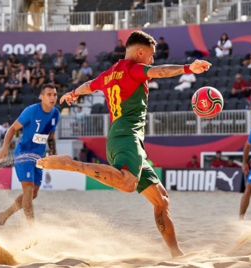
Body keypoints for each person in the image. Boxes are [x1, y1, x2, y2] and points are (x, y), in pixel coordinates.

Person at [36, 30, 212, 258]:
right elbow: (158, 72)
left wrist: (73, 93)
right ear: (140, 53)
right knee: (128, 184)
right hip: (127, 136)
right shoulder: (134, 68)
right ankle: (71, 165)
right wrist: (188, 68)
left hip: (123, 138)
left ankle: (176, 254)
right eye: (150, 55)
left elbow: (90, 85)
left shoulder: (110, 73)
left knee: (161, 199)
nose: (151, 60)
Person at [0, 84, 60, 226]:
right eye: (49, 94)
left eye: (54, 94)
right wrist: (5, 146)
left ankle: (4, 215)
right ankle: (32, 229)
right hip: (24, 154)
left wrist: (54, 155)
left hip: (38, 157)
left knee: (33, 194)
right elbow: (12, 128)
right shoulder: (31, 111)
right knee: (29, 189)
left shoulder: (56, 113)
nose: (53, 97)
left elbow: (50, 136)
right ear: (41, 97)